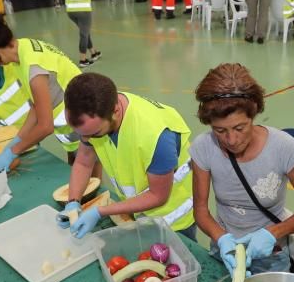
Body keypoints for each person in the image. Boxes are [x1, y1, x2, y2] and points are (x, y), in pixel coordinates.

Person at [190, 63, 294, 277]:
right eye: (220, 130)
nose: (231, 140)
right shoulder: (203, 148)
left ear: (253, 115)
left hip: (271, 253)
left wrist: (272, 234)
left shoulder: (284, 148)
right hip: (226, 250)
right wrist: (222, 239)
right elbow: (201, 211)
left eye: (239, 128)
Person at [60, 73, 196, 239]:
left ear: (115, 111)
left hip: (173, 220)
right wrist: (73, 202)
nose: (86, 139)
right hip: (136, 210)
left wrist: (100, 212)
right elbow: (83, 162)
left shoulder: (156, 136)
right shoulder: (96, 116)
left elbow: (157, 195)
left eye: (94, 134)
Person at [0, 11, 83, 170]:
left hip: (84, 123)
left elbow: (45, 126)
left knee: (89, 178)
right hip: (71, 127)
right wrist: (16, 140)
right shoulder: (22, 50)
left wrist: (13, 151)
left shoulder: (34, 70)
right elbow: (36, 107)